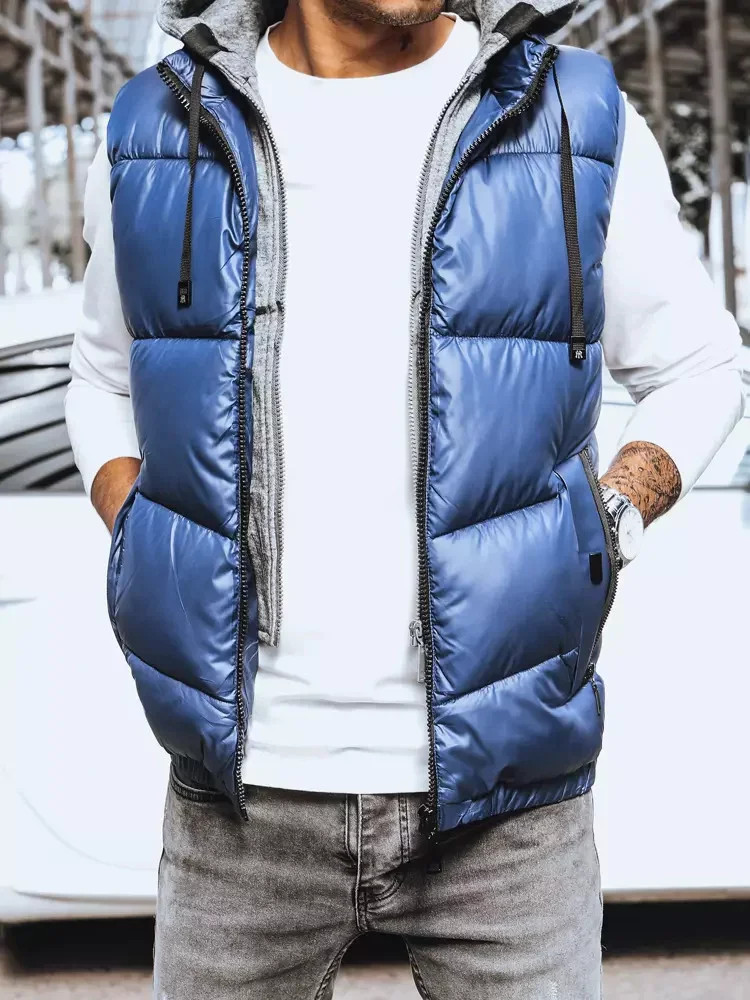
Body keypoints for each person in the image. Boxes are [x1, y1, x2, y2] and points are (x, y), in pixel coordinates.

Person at [65, 0, 744, 995]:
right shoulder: (157, 123)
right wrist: (138, 529)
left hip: (511, 808)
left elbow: (701, 366)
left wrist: (605, 523)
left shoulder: (572, 111)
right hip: (239, 799)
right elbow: (102, 374)